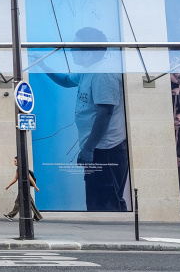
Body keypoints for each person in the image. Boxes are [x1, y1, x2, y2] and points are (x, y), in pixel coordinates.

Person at [38, 27, 129, 211]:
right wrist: (42, 66)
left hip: (106, 149)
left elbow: (105, 113)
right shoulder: (88, 70)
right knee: (96, 200)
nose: (70, 51)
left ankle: (111, 237)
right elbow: (65, 81)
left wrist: (88, 148)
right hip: (97, 149)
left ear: (87, 53)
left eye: (74, 47)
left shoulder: (103, 74)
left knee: (107, 203)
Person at [4, 157, 42, 222]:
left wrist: (36, 187)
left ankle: (10, 215)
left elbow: (30, 179)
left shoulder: (23, 169)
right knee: (30, 203)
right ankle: (37, 216)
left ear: (19, 161)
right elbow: (15, 179)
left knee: (18, 202)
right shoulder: (18, 169)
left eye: (15, 161)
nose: (14, 163)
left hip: (25, 188)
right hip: (23, 188)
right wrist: (9, 185)